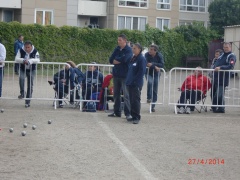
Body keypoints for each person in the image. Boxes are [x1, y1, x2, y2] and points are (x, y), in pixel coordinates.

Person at [108, 34, 132, 119]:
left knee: (126, 95)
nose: (118, 42)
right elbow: (111, 59)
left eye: (120, 40)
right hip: (116, 74)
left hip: (125, 75)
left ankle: (128, 113)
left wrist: (117, 59)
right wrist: (118, 60)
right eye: (118, 40)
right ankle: (117, 112)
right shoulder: (117, 49)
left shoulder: (129, 50)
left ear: (125, 40)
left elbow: (126, 59)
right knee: (116, 94)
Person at [211, 42, 236, 113]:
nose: (225, 49)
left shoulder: (231, 56)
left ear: (230, 47)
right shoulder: (222, 55)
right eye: (224, 47)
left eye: (227, 47)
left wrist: (220, 67)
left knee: (219, 94)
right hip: (216, 78)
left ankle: (220, 108)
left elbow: (230, 66)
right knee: (214, 94)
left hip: (223, 78)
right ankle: (216, 107)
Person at [126, 43, 147, 124]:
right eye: (133, 48)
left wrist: (135, 81)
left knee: (136, 100)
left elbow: (141, 71)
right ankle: (133, 115)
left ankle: (136, 117)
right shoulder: (133, 58)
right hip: (130, 82)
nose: (133, 50)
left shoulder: (141, 59)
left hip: (136, 83)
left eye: (135, 48)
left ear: (139, 49)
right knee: (131, 100)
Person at [15, 41, 40, 108]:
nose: (27, 49)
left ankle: (28, 101)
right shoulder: (20, 50)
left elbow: (38, 60)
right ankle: (22, 93)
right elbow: (16, 59)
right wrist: (23, 60)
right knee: (21, 78)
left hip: (32, 69)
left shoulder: (35, 51)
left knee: (30, 85)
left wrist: (30, 61)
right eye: (26, 47)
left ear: (31, 46)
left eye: (28, 47)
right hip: (23, 69)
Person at [145, 44, 164, 112]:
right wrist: (155, 66)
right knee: (150, 82)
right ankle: (149, 98)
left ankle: (153, 105)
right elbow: (146, 63)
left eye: (151, 49)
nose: (150, 51)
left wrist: (152, 64)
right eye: (149, 49)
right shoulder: (147, 54)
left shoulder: (159, 55)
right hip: (148, 73)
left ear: (155, 51)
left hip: (156, 73)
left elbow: (162, 64)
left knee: (155, 89)